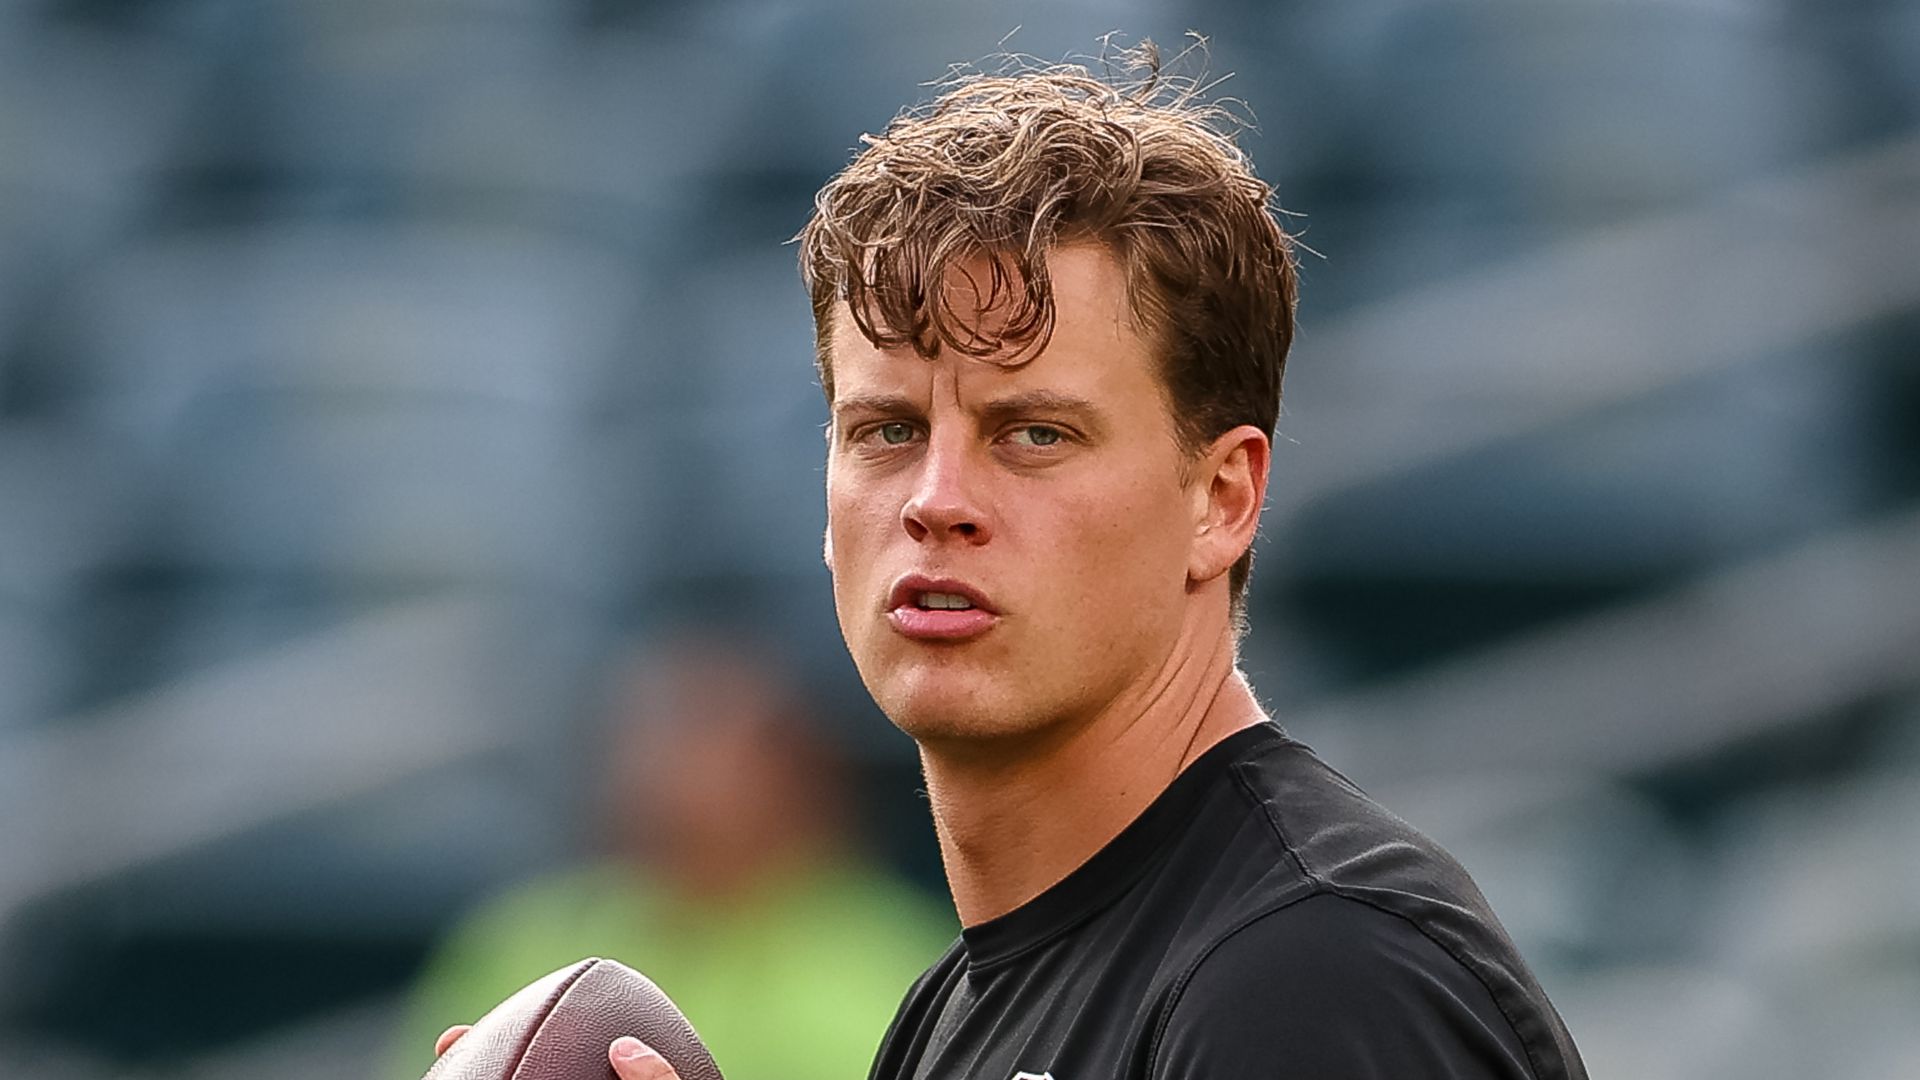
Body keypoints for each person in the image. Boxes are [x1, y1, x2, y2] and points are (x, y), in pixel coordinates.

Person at [436, 43, 1588, 1080]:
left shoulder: (1316, 970)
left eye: (1034, 433)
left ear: (1222, 499)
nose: (938, 502)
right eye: (886, 430)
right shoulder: (956, 1015)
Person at [400, 636, 952, 1080]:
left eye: (705, 731)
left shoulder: (895, 970)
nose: (662, 767)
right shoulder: (523, 938)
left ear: (797, 772)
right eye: (650, 732)